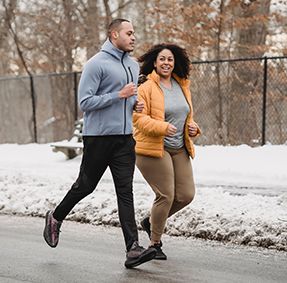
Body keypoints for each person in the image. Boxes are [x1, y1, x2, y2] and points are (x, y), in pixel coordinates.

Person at [43, 19, 156, 268]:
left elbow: (128, 97)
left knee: (125, 192)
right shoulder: (96, 64)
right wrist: (120, 95)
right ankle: (56, 217)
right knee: (85, 186)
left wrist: (134, 103)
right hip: (98, 139)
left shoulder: (132, 64)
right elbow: (85, 102)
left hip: (125, 140)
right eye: (129, 33)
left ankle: (133, 249)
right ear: (114, 35)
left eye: (134, 33)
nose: (133, 37)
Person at [133, 43, 201, 260]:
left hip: (179, 147)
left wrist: (194, 128)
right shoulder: (146, 88)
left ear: (175, 63)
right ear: (154, 62)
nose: (166, 63)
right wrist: (162, 127)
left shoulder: (182, 85)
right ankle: (155, 243)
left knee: (186, 195)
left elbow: (185, 116)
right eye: (162, 59)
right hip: (152, 148)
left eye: (170, 59)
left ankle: (151, 222)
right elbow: (138, 119)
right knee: (166, 195)